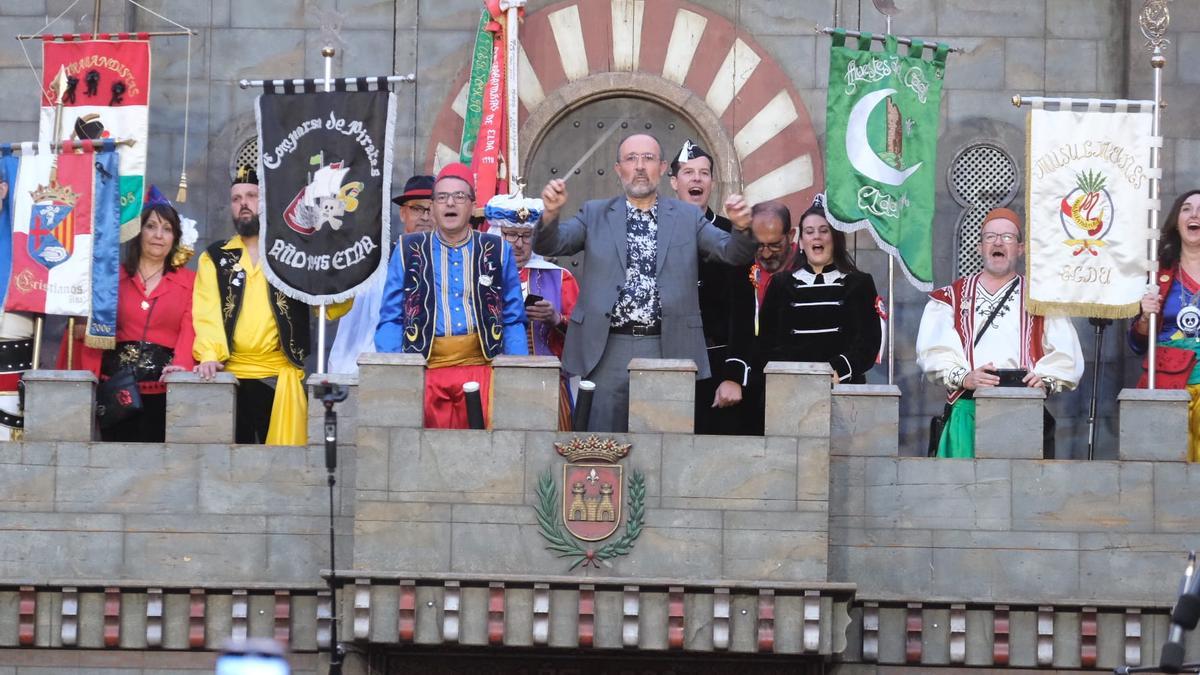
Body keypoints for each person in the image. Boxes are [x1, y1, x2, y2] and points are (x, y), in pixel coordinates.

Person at [535, 133, 756, 432]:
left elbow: (733, 253)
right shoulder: (594, 213)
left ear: (663, 168)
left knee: (665, 448)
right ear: (618, 169)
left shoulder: (687, 216)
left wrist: (742, 227)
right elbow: (552, 244)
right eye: (631, 158)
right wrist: (550, 213)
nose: (640, 166)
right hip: (606, 348)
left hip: (667, 346)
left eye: (648, 158)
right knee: (602, 445)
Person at [193, 165, 349, 445]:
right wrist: (209, 354)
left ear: (266, 202)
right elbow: (207, 313)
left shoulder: (291, 253)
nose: (244, 204)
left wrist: (337, 264)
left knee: (281, 468)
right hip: (231, 377)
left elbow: (328, 304)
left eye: (252, 196)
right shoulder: (215, 258)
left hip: (278, 377)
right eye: (237, 198)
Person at [917, 207, 1083, 459]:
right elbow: (932, 353)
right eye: (990, 237)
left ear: (1020, 248)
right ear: (979, 247)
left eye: (1007, 237)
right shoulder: (949, 298)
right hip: (967, 410)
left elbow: (1066, 357)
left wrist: (1044, 379)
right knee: (962, 491)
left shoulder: (1042, 299)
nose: (997, 242)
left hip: (1024, 412)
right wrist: (965, 377)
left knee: (1023, 491)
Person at [375, 163, 527, 429]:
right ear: (432, 206)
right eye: (442, 197)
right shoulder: (408, 249)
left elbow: (512, 318)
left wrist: (516, 374)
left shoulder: (497, 249)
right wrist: (396, 371)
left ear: (472, 205)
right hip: (426, 372)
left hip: (483, 371)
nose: (450, 203)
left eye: (459, 196)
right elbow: (392, 318)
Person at [61, 186, 196, 442]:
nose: (158, 235)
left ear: (175, 237)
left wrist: (183, 369)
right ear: (138, 231)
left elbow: (191, 329)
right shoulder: (110, 280)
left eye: (167, 229)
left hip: (167, 395)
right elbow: (87, 330)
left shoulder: (190, 282)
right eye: (151, 226)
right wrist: (82, 329)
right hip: (115, 394)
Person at [487, 193, 580, 430]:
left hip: (547, 383)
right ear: (497, 234)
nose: (518, 243)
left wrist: (556, 319)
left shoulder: (560, 277)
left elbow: (585, 334)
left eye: (527, 236)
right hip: (493, 380)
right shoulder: (480, 275)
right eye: (510, 234)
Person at [328, 174, 435, 374]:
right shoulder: (375, 264)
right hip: (377, 369)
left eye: (431, 209)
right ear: (403, 214)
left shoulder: (449, 264)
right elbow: (354, 328)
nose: (425, 217)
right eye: (417, 209)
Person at [669, 139, 738, 435]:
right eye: (688, 172)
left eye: (704, 173)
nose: (697, 178)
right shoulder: (653, 230)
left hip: (718, 367)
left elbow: (744, 311)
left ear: (711, 182)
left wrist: (734, 375)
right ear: (674, 182)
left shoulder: (732, 234)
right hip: (665, 364)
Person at [714, 199, 799, 434]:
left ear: (790, 235)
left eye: (774, 245)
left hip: (795, 384)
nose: (765, 253)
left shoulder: (808, 268)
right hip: (747, 384)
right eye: (758, 245)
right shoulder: (737, 266)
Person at [1131, 189, 1200, 461]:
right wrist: (1146, 317)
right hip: (1167, 381)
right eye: (1186, 208)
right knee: (1165, 470)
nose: (1195, 214)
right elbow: (1136, 344)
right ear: (1176, 221)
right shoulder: (1157, 273)